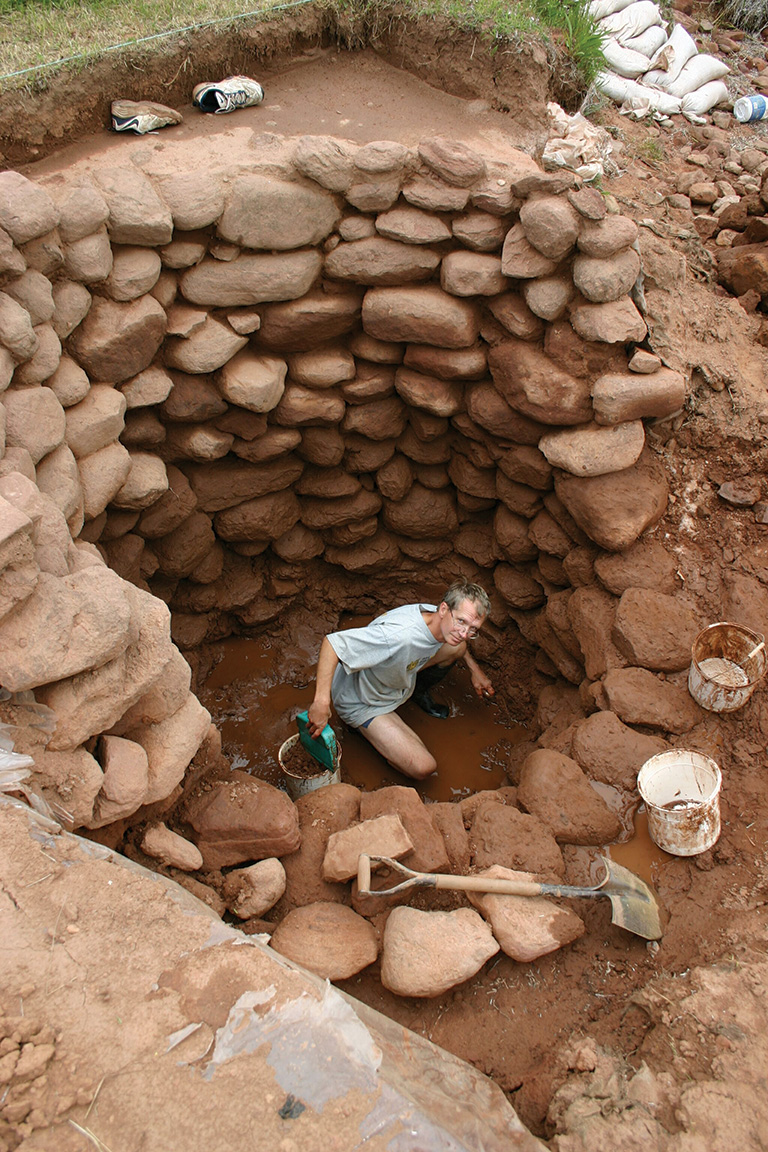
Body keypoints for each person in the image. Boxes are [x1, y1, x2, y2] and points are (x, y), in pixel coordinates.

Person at [307, 580, 494, 781]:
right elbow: (333, 644)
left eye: (473, 628)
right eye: (461, 622)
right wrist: (321, 702)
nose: (465, 633)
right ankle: (364, 730)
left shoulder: (438, 617)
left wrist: (475, 670)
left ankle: (417, 693)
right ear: (444, 609)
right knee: (424, 767)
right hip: (362, 700)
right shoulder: (398, 636)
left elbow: (459, 641)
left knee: (457, 647)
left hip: (394, 679)